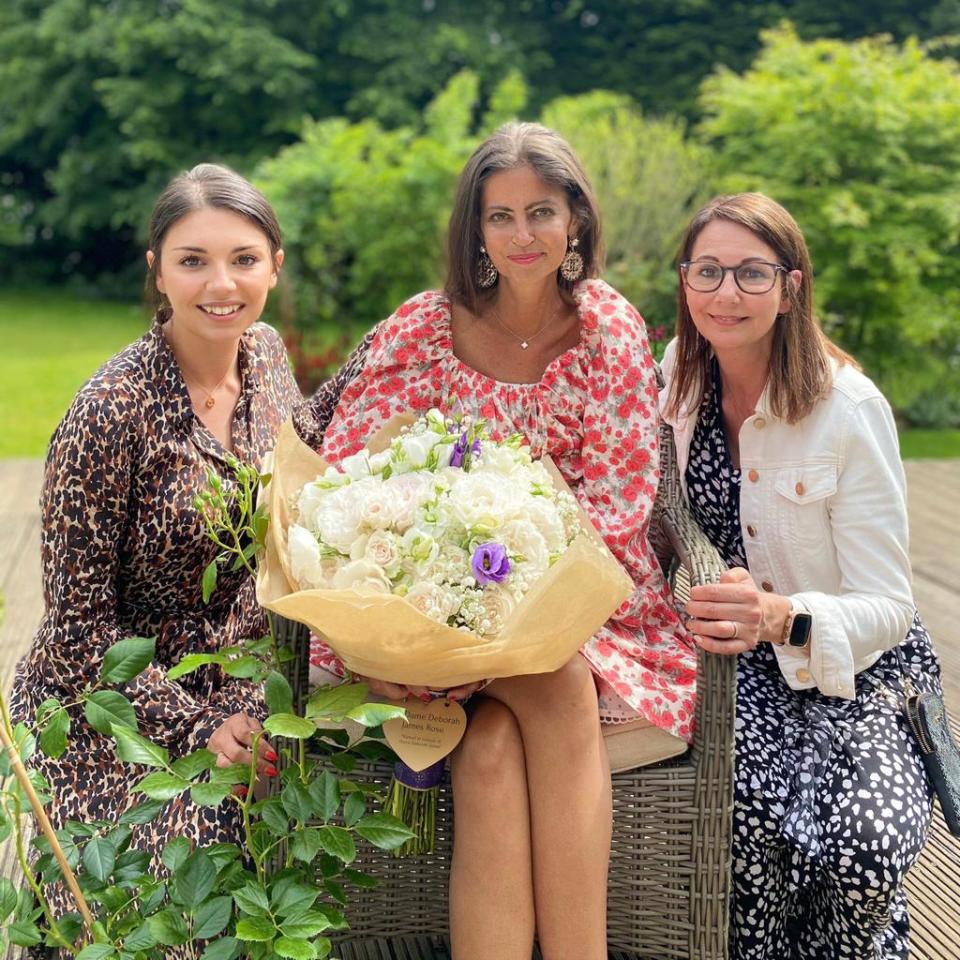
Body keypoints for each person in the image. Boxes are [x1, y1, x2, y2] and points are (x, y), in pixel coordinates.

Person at [299, 122, 696, 960]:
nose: (523, 236)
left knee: (515, 718)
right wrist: (423, 628)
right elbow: (348, 485)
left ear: (577, 221)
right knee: (510, 726)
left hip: (577, 615)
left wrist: (511, 628)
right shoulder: (421, 329)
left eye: (542, 212)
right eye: (501, 216)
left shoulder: (609, 332)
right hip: (422, 623)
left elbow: (617, 517)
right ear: (474, 230)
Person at [9, 163, 304, 921]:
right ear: (158, 272)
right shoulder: (108, 412)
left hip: (240, 678)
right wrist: (196, 727)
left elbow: (305, 469)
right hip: (110, 706)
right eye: (193, 261)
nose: (221, 284)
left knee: (312, 827)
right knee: (187, 860)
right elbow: (78, 632)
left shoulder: (266, 357)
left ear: (275, 262)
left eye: (243, 259)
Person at [660, 192, 942, 958]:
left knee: (868, 844)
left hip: (854, 665)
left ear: (791, 286)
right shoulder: (678, 382)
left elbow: (889, 604)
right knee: (749, 816)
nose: (726, 293)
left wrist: (783, 616)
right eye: (708, 271)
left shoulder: (849, 408)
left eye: (752, 273)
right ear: (684, 283)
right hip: (740, 666)